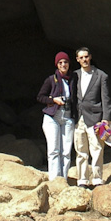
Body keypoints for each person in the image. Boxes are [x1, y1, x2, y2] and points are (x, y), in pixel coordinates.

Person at [72, 45, 111, 187]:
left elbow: (105, 99)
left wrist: (105, 119)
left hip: (95, 118)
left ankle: (96, 179)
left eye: (86, 57)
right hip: (78, 118)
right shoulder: (74, 75)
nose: (84, 60)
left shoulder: (101, 75)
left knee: (97, 149)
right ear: (77, 59)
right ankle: (82, 180)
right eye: (81, 57)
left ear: (90, 57)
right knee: (81, 150)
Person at [37, 51, 75, 181]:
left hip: (68, 117)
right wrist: (53, 100)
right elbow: (40, 97)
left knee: (66, 151)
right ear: (57, 65)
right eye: (60, 62)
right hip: (52, 117)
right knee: (54, 150)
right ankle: (54, 180)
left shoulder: (74, 79)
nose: (63, 64)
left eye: (65, 62)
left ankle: (63, 180)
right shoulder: (51, 79)